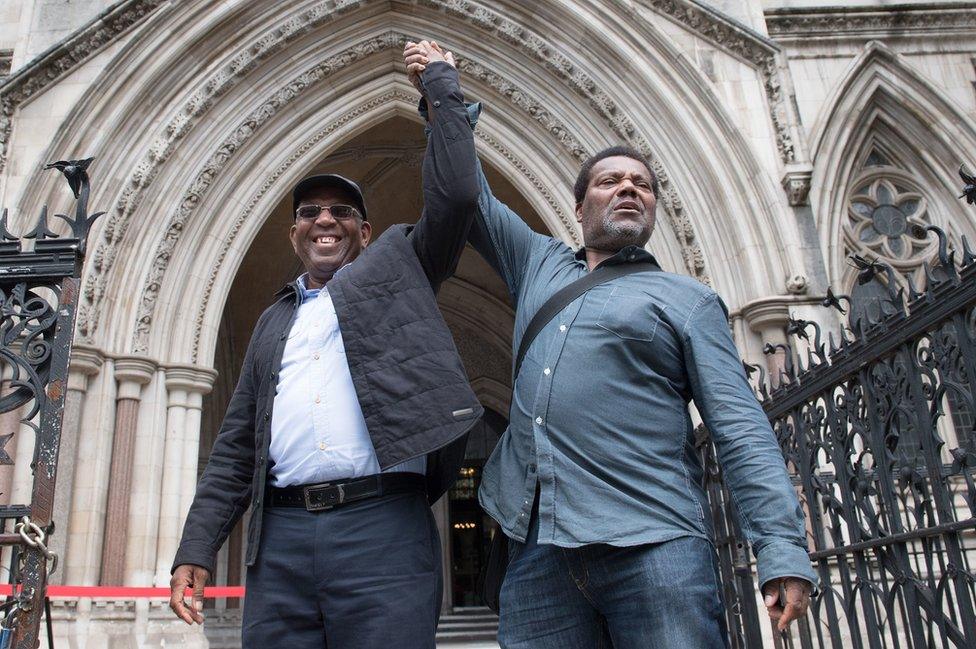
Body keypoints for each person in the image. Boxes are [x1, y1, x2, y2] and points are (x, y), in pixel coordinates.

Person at [405, 42, 817, 649]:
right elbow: (470, 198)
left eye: (642, 184)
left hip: (656, 546)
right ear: (579, 205)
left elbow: (738, 425)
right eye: (610, 181)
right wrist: (442, 92)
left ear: (652, 208)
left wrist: (780, 544)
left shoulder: (687, 299)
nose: (628, 189)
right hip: (538, 548)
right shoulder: (537, 263)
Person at [169, 42, 483, 649]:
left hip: (381, 527)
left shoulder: (400, 267)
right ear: (293, 234)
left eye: (341, 212)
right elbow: (236, 449)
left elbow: (457, 198)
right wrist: (196, 548)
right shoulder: (272, 323)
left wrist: (440, 89)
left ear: (364, 232)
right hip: (280, 537)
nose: (324, 220)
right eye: (309, 212)